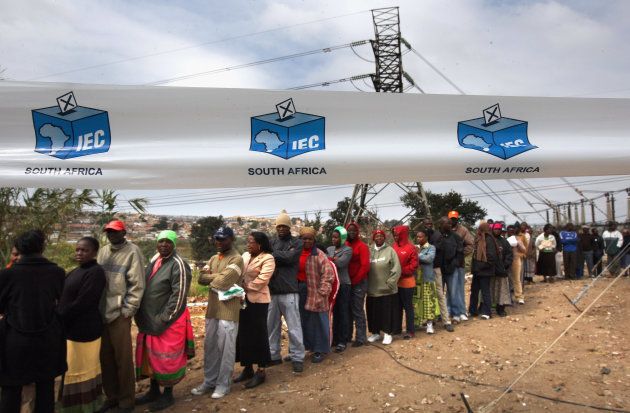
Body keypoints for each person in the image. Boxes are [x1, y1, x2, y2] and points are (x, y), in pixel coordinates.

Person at [0, 230, 66, 413]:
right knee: (45, 387)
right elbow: (62, 306)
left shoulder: (7, 275)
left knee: (11, 387)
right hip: (47, 338)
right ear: (43, 247)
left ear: (19, 249)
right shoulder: (57, 272)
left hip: (14, 339)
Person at [135, 230, 194, 411]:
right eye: (161, 241)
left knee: (167, 359)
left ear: (174, 244)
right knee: (151, 356)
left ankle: (168, 395)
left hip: (168, 322)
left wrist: (163, 319)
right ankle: (154, 391)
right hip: (149, 321)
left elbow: (179, 296)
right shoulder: (155, 261)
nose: (164, 245)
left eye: (168, 242)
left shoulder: (179, 264)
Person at [97, 220, 146, 413]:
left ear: (123, 233)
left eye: (115, 232)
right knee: (105, 359)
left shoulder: (133, 252)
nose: (111, 235)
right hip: (102, 313)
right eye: (108, 232)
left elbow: (137, 285)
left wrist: (127, 310)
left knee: (123, 360)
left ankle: (126, 401)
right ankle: (112, 397)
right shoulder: (103, 251)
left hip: (119, 314)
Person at [191, 226, 244, 399]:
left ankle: (223, 384)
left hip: (228, 310)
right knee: (211, 347)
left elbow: (224, 283)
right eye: (217, 239)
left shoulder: (237, 259)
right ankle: (209, 381)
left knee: (226, 348)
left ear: (231, 239)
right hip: (213, 309)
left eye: (222, 239)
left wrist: (214, 277)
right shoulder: (214, 257)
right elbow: (200, 278)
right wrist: (218, 276)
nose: (218, 242)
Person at [58, 237, 106, 413]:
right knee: (71, 369)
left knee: (82, 370)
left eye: (84, 250)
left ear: (94, 253)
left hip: (85, 331)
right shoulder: (74, 271)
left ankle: (86, 407)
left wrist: (59, 314)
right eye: (77, 249)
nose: (79, 253)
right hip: (71, 329)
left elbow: (84, 302)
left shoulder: (96, 272)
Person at [233, 232, 275, 389]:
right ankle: (248, 368)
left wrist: (246, 287)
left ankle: (261, 371)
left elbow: (263, 279)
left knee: (259, 335)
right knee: (244, 335)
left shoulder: (268, 258)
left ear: (260, 244)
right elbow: (236, 270)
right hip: (243, 300)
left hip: (258, 301)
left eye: (251, 242)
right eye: (247, 241)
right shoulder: (244, 255)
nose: (248, 245)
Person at [266, 210, 305, 373]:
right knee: (271, 327)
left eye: (284, 226)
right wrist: (282, 255)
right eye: (279, 226)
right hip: (272, 291)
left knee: (294, 327)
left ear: (289, 227)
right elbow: (269, 257)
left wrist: (274, 255)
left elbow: (291, 258)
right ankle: (273, 355)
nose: (281, 228)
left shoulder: (297, 243)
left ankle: (297, 357)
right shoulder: (272, 242)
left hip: (289, 291)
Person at [297, 227, 335, 362]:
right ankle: (304, 347)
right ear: (300, 239)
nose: (306, 241)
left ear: (314, 240)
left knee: (318, 321)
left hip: (315, 290)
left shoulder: (319, 255)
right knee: (302, 320)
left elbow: (328, 275)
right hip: (298, 290)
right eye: (304, 238)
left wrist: (322, 292)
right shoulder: (295, 252)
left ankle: (319, 350)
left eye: (310, 238)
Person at [366, 229, 401, 345]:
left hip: (386, 290)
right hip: (372, 289)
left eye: (381, 236)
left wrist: (390, 283)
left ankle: (387, 333)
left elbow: (396, 268)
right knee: (373, 312)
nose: (379, 238)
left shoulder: (390, 251)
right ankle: (375, 333)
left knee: (387, 313)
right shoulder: (369, 251)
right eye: (377, 236)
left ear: (384, 238)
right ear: (373, 238)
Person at [433, 217, 465, 324]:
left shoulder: (456, 237)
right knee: (439, 293)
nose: (450, 225)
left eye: (451, 223)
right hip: (438, 270)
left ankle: (456, 314)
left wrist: (455, 263)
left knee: (453, 292)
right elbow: (433, 250)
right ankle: (439, 314)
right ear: (441, 225)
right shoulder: (436, 236)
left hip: (452, 269)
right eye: (448, 223)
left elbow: (460, 253)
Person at [327, 226, 353, 353]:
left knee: (342, 312)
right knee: (333, 312)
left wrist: (331, 259)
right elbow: (326, 263)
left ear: (342, 238)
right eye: (332, 237)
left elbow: (341, 263)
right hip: (332, 285)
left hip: (343, 284)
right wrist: (333, 259)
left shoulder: (348, 250)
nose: (333, 239)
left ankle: (342, 340)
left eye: (336, 237)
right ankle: (335, 338)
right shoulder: (329, 249)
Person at [345, 221, 370, 347]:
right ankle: (347, 335)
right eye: (349, 230)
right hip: (347, 282)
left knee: (357, 309)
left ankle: (360, 337)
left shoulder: (362, 246)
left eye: (354, 230)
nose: (352, 232)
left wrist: (355, 281)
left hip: (359, 282)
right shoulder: (345, 244)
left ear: (358, 231)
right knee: (348, 310)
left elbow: (365, 266)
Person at [392, 225, 418, 338]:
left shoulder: (411, 248)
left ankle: (410, 331)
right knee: (397, 306)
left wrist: (400, 272)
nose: (395, 237)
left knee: (408, 307)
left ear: (403, 235)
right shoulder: (393, 247)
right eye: (394, 235)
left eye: (397, 235)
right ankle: (397, 329)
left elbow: (414, 265)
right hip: (396, 283)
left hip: (407, 282)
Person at [468, 222, 498, 320]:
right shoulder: (479, 239)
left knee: (485, 292)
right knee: (474, 291)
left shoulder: (489, 240)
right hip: (477, 271)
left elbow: (492, 258)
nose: (478, 231)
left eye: (479, 229)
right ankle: (472, 311)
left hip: (485, 271)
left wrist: (480, 266)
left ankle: (487, 312)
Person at [448, 211, 474, 322]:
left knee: (458, 288)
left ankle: (461, 311)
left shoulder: (463, 230)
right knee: (449, 289)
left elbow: (471, 244)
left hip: (459, 264)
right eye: (451, 218)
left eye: (455, 218)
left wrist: (460, 253)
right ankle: (449, 310)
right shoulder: (445, 229)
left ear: (457, 219)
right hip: (447, 264)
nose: (453, 220)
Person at [414, 230, 439, 334]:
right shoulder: (416, 248)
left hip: (427, 279)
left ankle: (429, 325)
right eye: (417, 237)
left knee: (429, 303)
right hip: (416, 280)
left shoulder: (431, 247)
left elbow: (429, 259)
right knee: (416, 303)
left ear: (426, 237)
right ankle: (417, 324)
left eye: (421, 237)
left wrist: (416, 255)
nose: (419, 239)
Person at [490, 223, 513, 317]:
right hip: (491, 270)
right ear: (492, 230)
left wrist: (505, 265)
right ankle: (488, 308)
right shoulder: (489, 241)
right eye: (495, 229)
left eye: (499, 229)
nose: (497, 231)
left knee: (501, 291)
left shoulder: (504, 242)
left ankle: (501, 308)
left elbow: (509, 254)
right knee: (490, 289)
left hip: (502, 270)